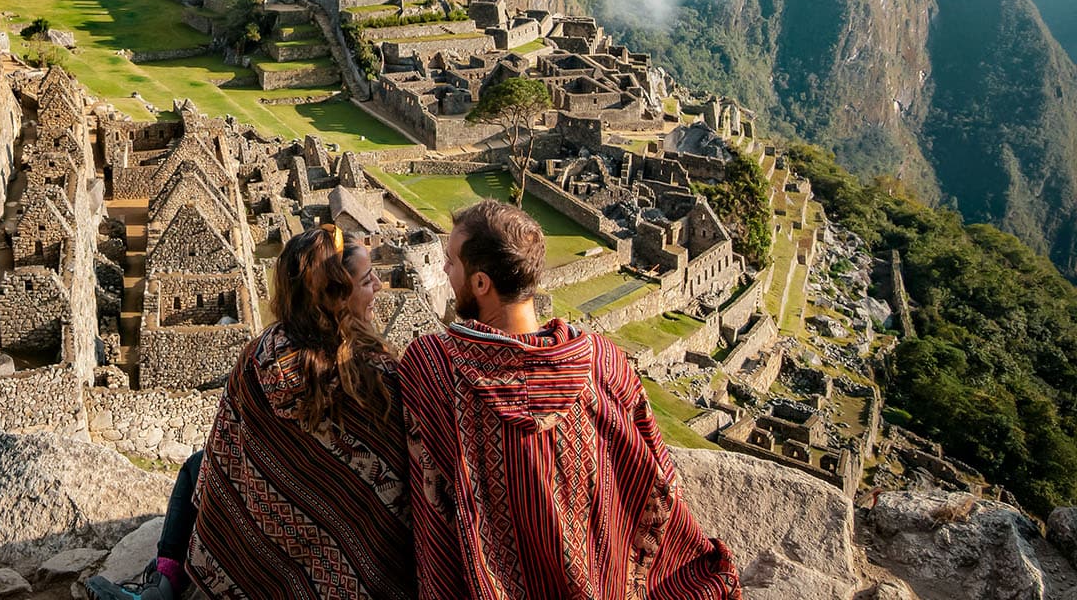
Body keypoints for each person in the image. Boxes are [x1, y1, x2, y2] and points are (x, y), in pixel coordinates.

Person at [399, 199, 743, 599]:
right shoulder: (602, 361)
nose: (444, 269)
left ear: (481, 283)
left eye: (451, 262)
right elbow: (658, 471)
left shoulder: (435, 367)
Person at [88, 224, 414, 600]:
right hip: (340, 541)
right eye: (369, 279)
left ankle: (163, 583)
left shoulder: (262, 355)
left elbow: (226, 443)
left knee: (199, 466)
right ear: (338, 294)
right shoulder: (376, 377)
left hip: (267, 521)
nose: (379, 287)